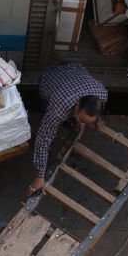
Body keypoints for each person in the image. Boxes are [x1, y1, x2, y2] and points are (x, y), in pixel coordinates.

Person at [28, 63, 107, 195]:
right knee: (49, 133)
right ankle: (45, 158)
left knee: (72, 122)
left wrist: (98, 120)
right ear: (77, 106)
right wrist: (39, 176)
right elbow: (43, 140)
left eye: (87, 123)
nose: (82, 126)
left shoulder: (102, 93)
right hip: (50, 78)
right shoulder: (58, 109)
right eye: (81, 120)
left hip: (73, 68)